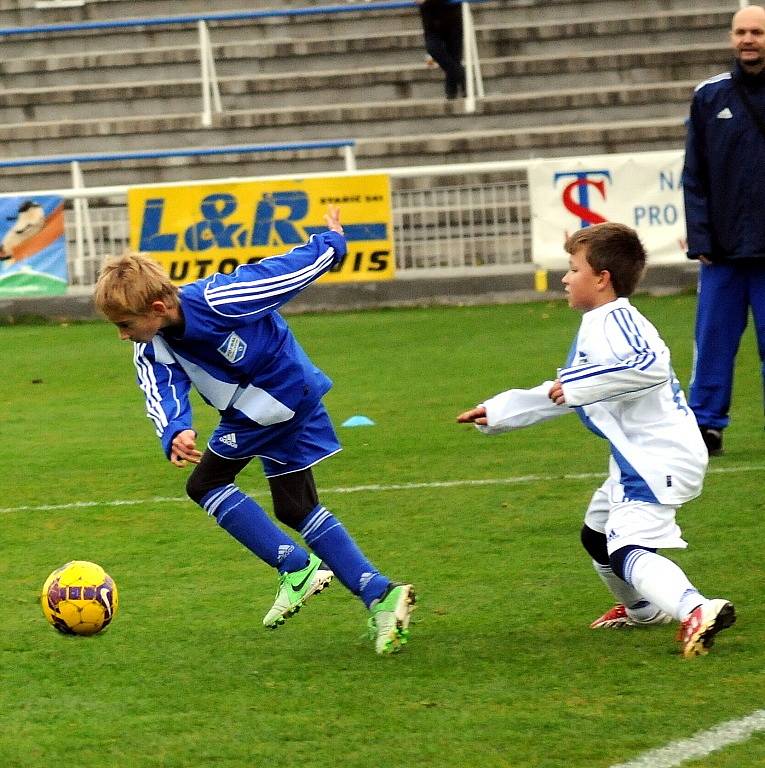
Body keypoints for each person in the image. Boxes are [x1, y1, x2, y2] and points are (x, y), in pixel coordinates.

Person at [93, 206, 415, 656]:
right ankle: (381, 594)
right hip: (260, 408)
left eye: (125, 325)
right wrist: (175, 429)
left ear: (159, 308)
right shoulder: (151, 343)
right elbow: (162, 386)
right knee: (295, 505)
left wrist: (332, 242)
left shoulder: (220, 299)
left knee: (205, 483)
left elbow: (283, 273)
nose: (122, 336)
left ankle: (296, 567)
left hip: (277, 396)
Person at [457, 222, 736, 658]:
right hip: (640, 456)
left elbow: (648, 366)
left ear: (602, 279)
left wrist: (580, 385)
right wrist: (499, 412)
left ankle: (695, 608)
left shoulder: (616, 320)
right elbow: (570, 391)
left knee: (625, 548)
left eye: (573, 269)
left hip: (655, 458)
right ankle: (642, 609)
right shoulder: (599, 324)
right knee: (596, 535)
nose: (565, 278)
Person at [682, 4, 765, 457]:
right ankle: (706, 426)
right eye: (741, 32)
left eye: (756, 32)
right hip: (724, 253)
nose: (748, 39)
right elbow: (694, 174)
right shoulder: (709, 96)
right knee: (712, 343)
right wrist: (701, 240)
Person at [415, 0, 466, 100]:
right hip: (431, 21)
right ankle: (462, 77)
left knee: (454, 55)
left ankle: (452, 90)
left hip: (452, 18)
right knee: (433, 48)